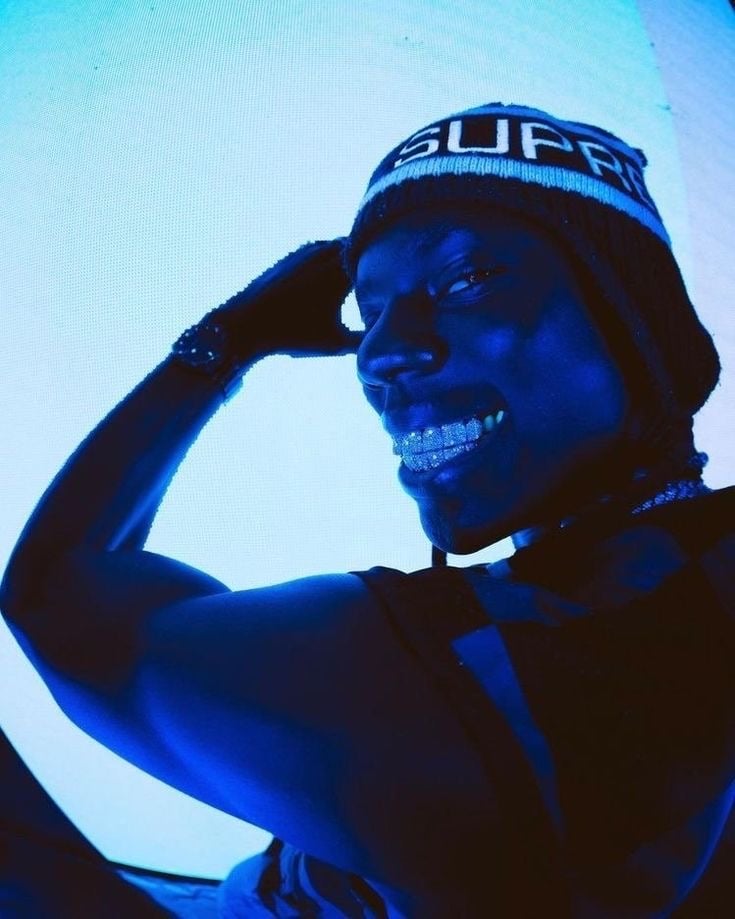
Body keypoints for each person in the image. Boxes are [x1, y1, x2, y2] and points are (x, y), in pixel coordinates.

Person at [1, 102, 733, 917]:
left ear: (640, 325)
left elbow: (60, 598)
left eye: (466, 279)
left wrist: (226, 343)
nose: (381, 354)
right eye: (368, 311)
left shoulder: (585, 652)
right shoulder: (664, 582)